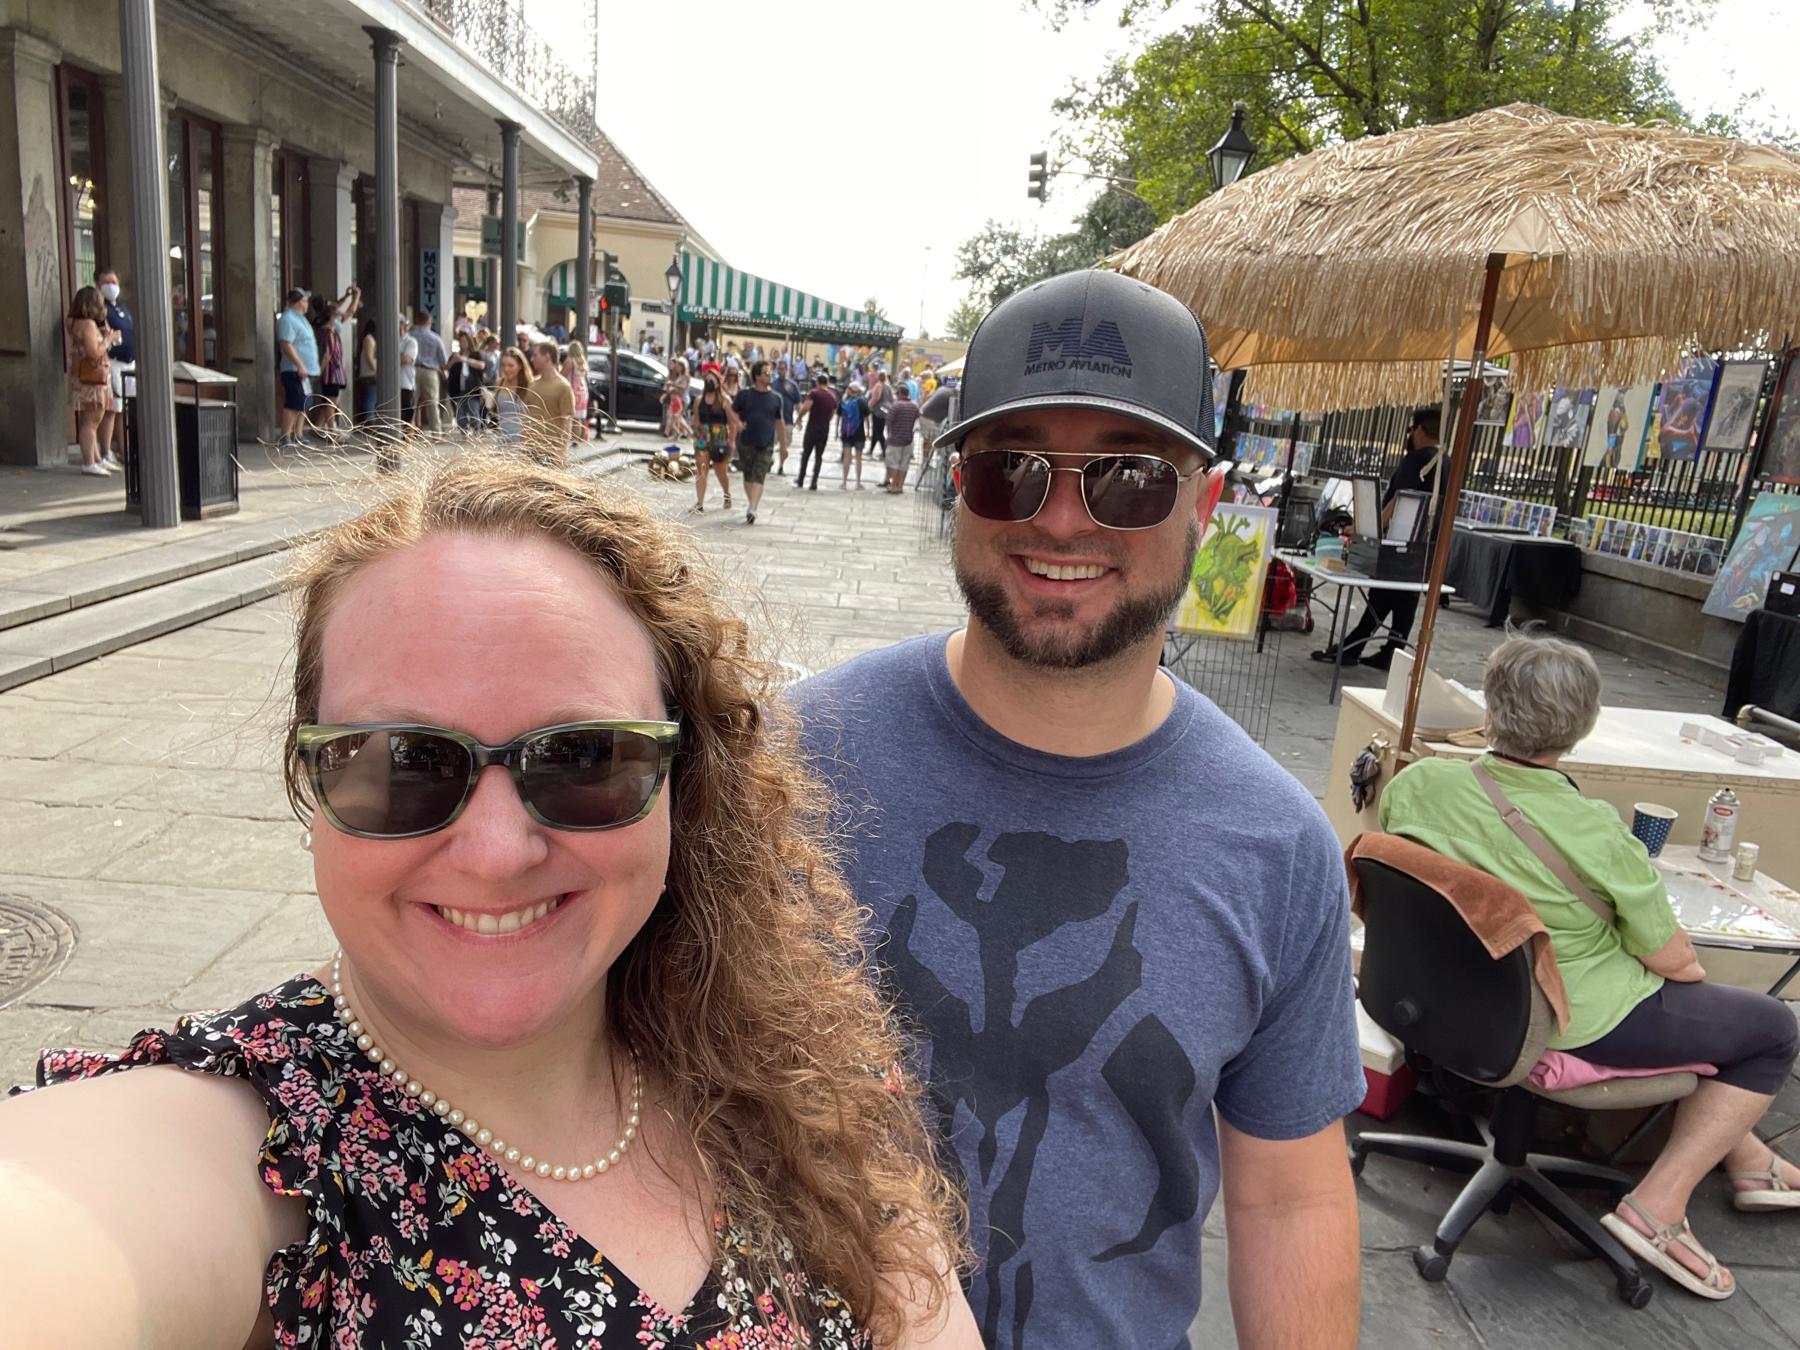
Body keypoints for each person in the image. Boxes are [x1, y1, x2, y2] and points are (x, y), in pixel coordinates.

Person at [0, 452, 979, 1349]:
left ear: (686, 784)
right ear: (314, 786)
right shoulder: (248, 1153)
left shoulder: (786, 1075)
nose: (499, 849)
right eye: (402, 763)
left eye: (586, 757)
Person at [792, 268, 1365, 1348]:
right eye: (1010, 470)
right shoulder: (789, 760)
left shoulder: (1278, 843)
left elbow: (1289, 1194)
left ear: (1206, 498)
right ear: (955, 482)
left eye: (1130, 478)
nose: (1062, 518)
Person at [1378, 636, 1800, 1302]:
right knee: (1769, 1029)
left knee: (1712, 1026)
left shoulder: (1418, 784)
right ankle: (1656, 1205)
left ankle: (1750, 1161)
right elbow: (1676, 962)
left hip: (1446, 1000)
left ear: (1492, 708)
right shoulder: (1595, 828)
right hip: (1571, 1018)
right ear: (1584, 724)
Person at [1311, 406, 1443, 670]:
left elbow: (1398, 499)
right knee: (1403, 598)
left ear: (1418, 429)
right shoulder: (1446, 461)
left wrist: (1368, 527)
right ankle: (1388, 650)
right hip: (1426, 545)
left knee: (1386, 595)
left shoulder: (1419, 460)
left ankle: (1357, 647)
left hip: (1399, 543)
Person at [65, 285, 113, 477]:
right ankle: (89, 463)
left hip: (81, 376)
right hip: (93, 378)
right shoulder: (88, 325)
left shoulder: (72, 322)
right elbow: (94, 354)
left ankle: (95, 460)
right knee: (92, 422)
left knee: (87, 420)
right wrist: (108, 340)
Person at [731, 360, 785, 525]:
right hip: (746, 442)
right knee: (748, 476)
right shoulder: (744, 395)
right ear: (757, 375)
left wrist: (783, 445)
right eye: (766, 373)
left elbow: (779, 422)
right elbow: (732, 411)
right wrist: (738, 424)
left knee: (759, 476)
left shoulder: (776, 398)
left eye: (770, 373)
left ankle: (753, 507)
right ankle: (751, 503)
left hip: (766, 443)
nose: (770, 376)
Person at [97, 268, 134, 471]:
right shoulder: (101, 310)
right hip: (113, 362)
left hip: (130, 363)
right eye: (107, 282)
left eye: (114, 281)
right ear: (99, 285)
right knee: (113, 407)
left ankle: (124, 449)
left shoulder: (122, 308)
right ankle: (105, 450)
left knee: (125, 409)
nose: (112, 286)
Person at [276, 287, 319, 449]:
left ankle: (298, 435)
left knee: (303, 403)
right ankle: (285, 436)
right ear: (298, 302)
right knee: (294, 402)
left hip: (305, 371)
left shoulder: (301, 318)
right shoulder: (288, 319)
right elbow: (286, 343)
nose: (307, 303)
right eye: (305, 300)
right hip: (294, 369)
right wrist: (300, 364)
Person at [689, 373, 735, 514]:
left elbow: (732, 422)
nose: (709, 382)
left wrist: (731, 442)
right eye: (707, 380)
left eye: (712, 380)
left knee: (721, 470)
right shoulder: (699, 400)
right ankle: (700, 503)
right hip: (702, 435)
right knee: (701, 469)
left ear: (718, 382)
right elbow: (696, 420)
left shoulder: (725, 400)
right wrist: (694, 434)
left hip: (719, 435)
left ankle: (727, 494)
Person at [523, 340, 575, 464]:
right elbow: (527, 415)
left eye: (535, 355)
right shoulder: (532, 384)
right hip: (530, 450)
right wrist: (523, 442)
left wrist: (561, 451)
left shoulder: (563, 386)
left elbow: (566, 421)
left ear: (547, 357)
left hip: (550, 452)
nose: (531, 359)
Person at [795, 374, 839, 492]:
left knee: (806, 454)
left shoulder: (814, 393)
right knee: (819, 456)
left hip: (812, 427)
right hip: (824, 429)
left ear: (818, 382)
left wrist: (799, 418)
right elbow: (833, 412)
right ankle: (814, 481)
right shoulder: (832, 396)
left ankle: (801, 479)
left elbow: (806, 407)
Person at [412, 309, 448, 437]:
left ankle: (409, 432)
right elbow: (443, 361)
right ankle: (436, 433)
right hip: (430, 372)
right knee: (432, 403)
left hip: (412, 370)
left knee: (412, 402)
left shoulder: (410, 336)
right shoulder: (436, 338)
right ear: (429, 322)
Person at [486, 345, 533, 445]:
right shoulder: (499, 383)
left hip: (523, 442)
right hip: (502, 441)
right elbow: (496, 413)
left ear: (520, 366)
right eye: (503, 365)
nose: (506, 369)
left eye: (510, 365)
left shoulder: (529, 385)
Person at [882, 385, 920, 494]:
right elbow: (916, 418)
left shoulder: (896, 406)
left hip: (895, 440)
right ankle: (900, 486)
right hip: (908, 439)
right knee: (904, 464)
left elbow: (889, 420)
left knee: (894, 464)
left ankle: (893, 486)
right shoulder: (914, 406)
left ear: (899, 394)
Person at [915, 384, 954, 487]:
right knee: (935, 442)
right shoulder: (950, 395)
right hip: (928, 417)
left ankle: (926, 462)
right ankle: (933, 463)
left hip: (925, 414)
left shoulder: (943, 389)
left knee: (928, 440)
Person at [837, 383, 868, 491]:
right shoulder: (862, 402)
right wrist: (868, 431)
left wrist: (837, 431)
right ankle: (858, 483)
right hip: (859, 433)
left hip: (846, 433)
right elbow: (867, 418)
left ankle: (844, 482)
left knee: (846, 458)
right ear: (858, 391)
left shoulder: (843, 402)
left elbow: (839, 418)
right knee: (858, 458)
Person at [774, 360, 802, 475]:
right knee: (771, 443)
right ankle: (770, 462)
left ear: (787, 370)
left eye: (783, 369)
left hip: (788, 420)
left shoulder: (793, 385)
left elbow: (797, 403)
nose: (781, 371)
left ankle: (781, 466)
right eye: (779, 369)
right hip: (774, 421)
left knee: (785, 445)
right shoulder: (773, 384)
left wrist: (799, 419)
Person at [563, 341, 590, 443]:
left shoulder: (570, 361)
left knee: (569, 416)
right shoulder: (583, 362)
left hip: (572, 391)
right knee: (578, 418)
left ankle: (567, 438)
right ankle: (576, 440)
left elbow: (562, 375)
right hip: (582, 391)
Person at [397, 313, 419, 439]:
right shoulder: (390, 340)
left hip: (406, 383)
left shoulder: (411, 342)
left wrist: (393, 356)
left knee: (407, 415)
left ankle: (408, 444)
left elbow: (407, 359)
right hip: (390, 385)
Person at [865, 369, 891, 461]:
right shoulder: (888, 386)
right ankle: (871, 450)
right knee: (876, 432)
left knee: (878, 432)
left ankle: (884, 451)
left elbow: (876, 397)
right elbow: (892, 399)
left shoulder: (878, 385)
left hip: (878, 411)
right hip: (886, 411)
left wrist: (868, 405)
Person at [357, 325, 379, 427]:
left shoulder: (371, 339)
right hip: (369, 374)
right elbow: (369, 357)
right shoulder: (369, 339)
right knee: (370, 398)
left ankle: (369, 419)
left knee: (371, 398)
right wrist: (376, 371)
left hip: (370, 373)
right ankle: (369, 420)